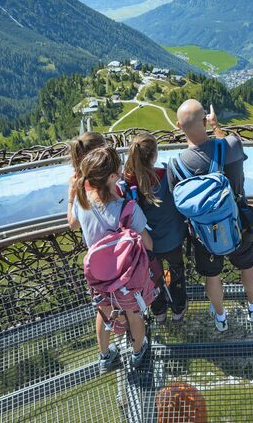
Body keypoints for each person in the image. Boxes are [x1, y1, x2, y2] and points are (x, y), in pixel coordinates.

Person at [169, 99, 253, 332]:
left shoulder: (175, 166)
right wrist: (216, 127)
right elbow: (225, 145)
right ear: (205, 120)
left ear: (178, 126)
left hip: (203, 233)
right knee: (247, 266)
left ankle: (220, 318)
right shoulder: (231, 145)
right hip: (238, 225)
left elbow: (178, 203)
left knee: (212, 276)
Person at [67, 146, 153, 370]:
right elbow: (147, 243)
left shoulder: (81, 200)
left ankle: (105, 356)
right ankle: (137, 353)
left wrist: (70, 198)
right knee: (134, 314)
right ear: (113, 177)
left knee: (103, 314)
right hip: (126, 278)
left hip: (99, 278)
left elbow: (73, 223)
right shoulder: (127, 208)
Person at [124, 132, 189, 322]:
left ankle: (159, 310)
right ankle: (178, 308)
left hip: (147, 244)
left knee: (153, 277)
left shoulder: (129, 182)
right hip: (173, 237)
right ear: (154, 155)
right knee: (176, 271)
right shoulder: (167, 173)